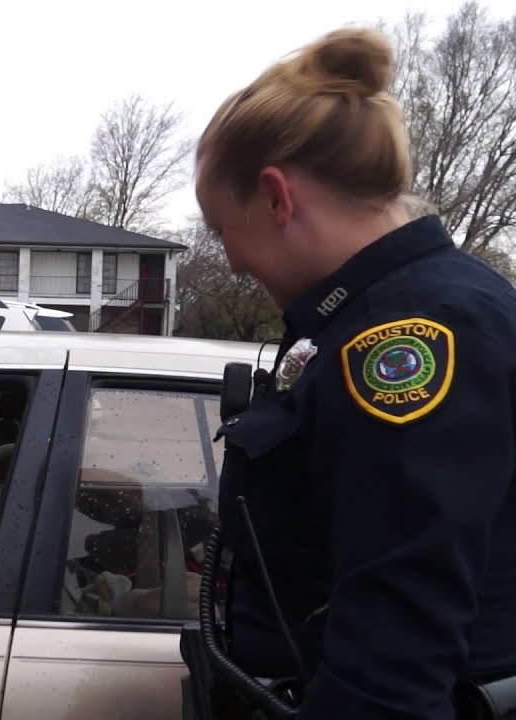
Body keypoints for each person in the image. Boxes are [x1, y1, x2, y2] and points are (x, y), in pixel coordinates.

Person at [193, 26, 516, 718]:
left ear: (278, 198)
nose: (233, 265)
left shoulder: (414, 339)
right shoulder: (367, 322)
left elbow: (392, 660)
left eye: (225, 231)